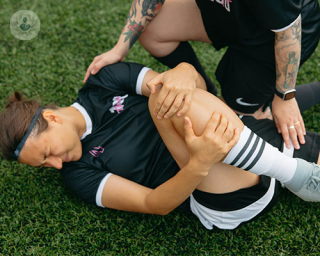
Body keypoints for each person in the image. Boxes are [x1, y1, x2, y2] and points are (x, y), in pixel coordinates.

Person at [1, 62, 320, 230]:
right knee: (161, 102)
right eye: (44, 165)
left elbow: (188, 90)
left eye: (47, 154)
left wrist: (185, 71)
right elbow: (155, 203)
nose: (56, 164)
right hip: (219, 191)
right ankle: (291, 172)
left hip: (242, 138)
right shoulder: (77, 174)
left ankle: (290, 168)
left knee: (168, 91)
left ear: (51, 119)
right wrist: (199, 163)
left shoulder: (104, 82)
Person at [83, 0, 320, 151]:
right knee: (153, 29)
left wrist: (285, 96)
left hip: (275, 37)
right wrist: (120, 48)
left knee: (234, 121)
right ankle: (204, 90)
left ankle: (303, 149)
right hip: (228, 13)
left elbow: (289, 32)